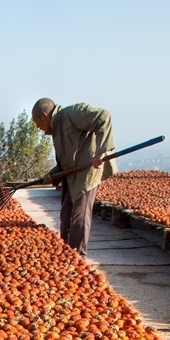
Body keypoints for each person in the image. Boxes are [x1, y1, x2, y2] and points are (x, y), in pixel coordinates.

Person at [31, 98, 116, 257]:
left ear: (44, 115)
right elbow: (66, 161)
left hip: (88, 172)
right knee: (66, 215)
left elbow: (103, 116)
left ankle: (77, 256)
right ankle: (65, 253)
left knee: (79, 216)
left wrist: (101, 152)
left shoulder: (71, 113)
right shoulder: (56, 129)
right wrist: (52, 175)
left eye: (37, 123)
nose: (38, 128)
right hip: (73, 175)